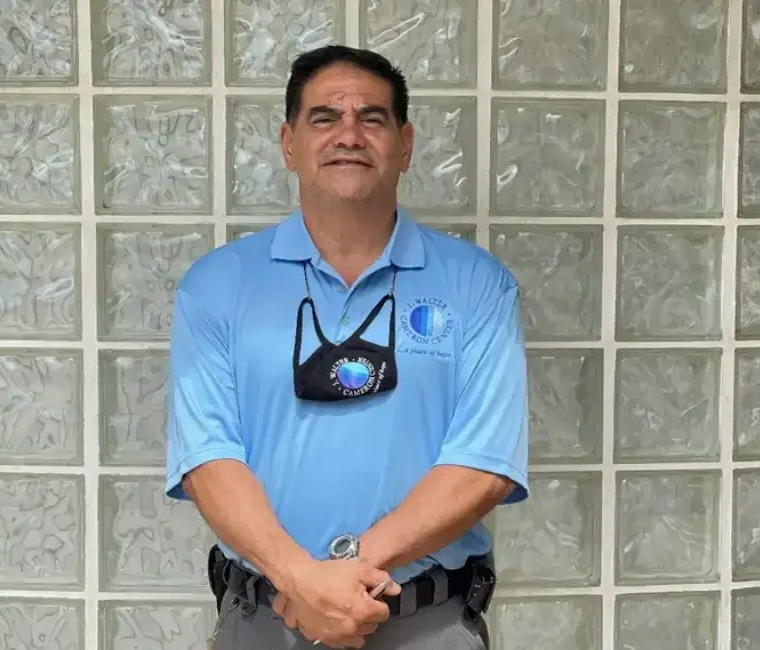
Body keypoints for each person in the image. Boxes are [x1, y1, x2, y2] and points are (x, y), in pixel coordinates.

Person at [165, 44, 529, 650]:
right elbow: (208, 458)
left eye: (372, 118)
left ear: (405, 144)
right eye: (325, 117)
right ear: (289, 143)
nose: (349, 135)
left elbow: (483, 465)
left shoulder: (476, 284)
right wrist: (299, 580)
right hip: (266, 621)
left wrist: (338, 576)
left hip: (425, 621)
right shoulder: (218, 285)